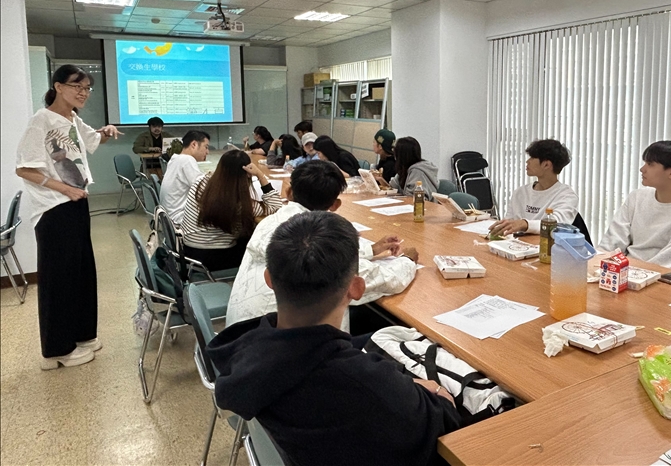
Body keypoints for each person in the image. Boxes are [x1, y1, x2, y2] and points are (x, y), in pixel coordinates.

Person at [208, 211, 461, 466]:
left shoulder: (246, 351)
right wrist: (437, 391)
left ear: (269, 279)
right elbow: (446, 423)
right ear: (356, 288)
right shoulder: (366, 386)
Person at [226, 160, 418, 330]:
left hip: (241, 339)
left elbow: (313, 250)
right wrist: (408, 260)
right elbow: (385, 279)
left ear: (289, 192)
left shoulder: (271, 223)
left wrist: (371, 250)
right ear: (335, 205)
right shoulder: (324, 241)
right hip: (294, 352)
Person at [16, 64, 122, 369]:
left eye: (87, 88)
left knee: (81, 272)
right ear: (58, 87)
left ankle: (81, 334)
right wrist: (65, 189)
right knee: (59, 279)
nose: (83, 93)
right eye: (77, 86)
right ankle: (56, 351)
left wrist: (106, 132)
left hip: (76, 201)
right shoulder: (41, 120)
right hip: (54, 208)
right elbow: (24, 168)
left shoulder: (72, 118)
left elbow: (92, 141)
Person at [598, 140, 671, 272]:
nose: (642, 169)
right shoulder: (637, 198)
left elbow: (669, 262)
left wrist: (625, 272)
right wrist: (599, 263)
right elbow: (612, 243)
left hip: (663, 278)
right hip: (623, 273)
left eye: (650, 164)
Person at [182, 149, 283, 271]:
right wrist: (260, 175)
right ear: (247, 173)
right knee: (259, 244)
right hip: (212, 258)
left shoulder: (200, 181)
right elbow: (276, 206)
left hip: (188, 252)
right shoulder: (241, 203)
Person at [489, 139, 579, 236]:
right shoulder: (520, 192)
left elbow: (557, 225)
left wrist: (525, 224)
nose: (527, 161)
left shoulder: (567, 196)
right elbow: (508, 225)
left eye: (532, 158)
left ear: (546, 165)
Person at [160, 130, 209, 227]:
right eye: (206, 147)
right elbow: (204, 190)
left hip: (168, 218)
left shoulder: (175, 159)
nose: (207, 152)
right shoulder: (187, 160)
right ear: (194, 144)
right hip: (178, 220)